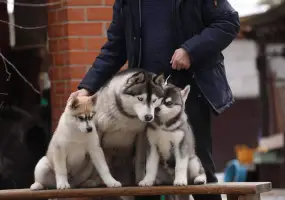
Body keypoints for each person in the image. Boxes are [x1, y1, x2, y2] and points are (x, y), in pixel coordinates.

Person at [72, 0, 240, 200]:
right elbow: (114, 49)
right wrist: (87, 88)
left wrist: (190, 50)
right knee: (144, 173)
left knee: (196, 169)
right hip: (144, 99)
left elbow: (228, 22)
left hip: (186, 93)